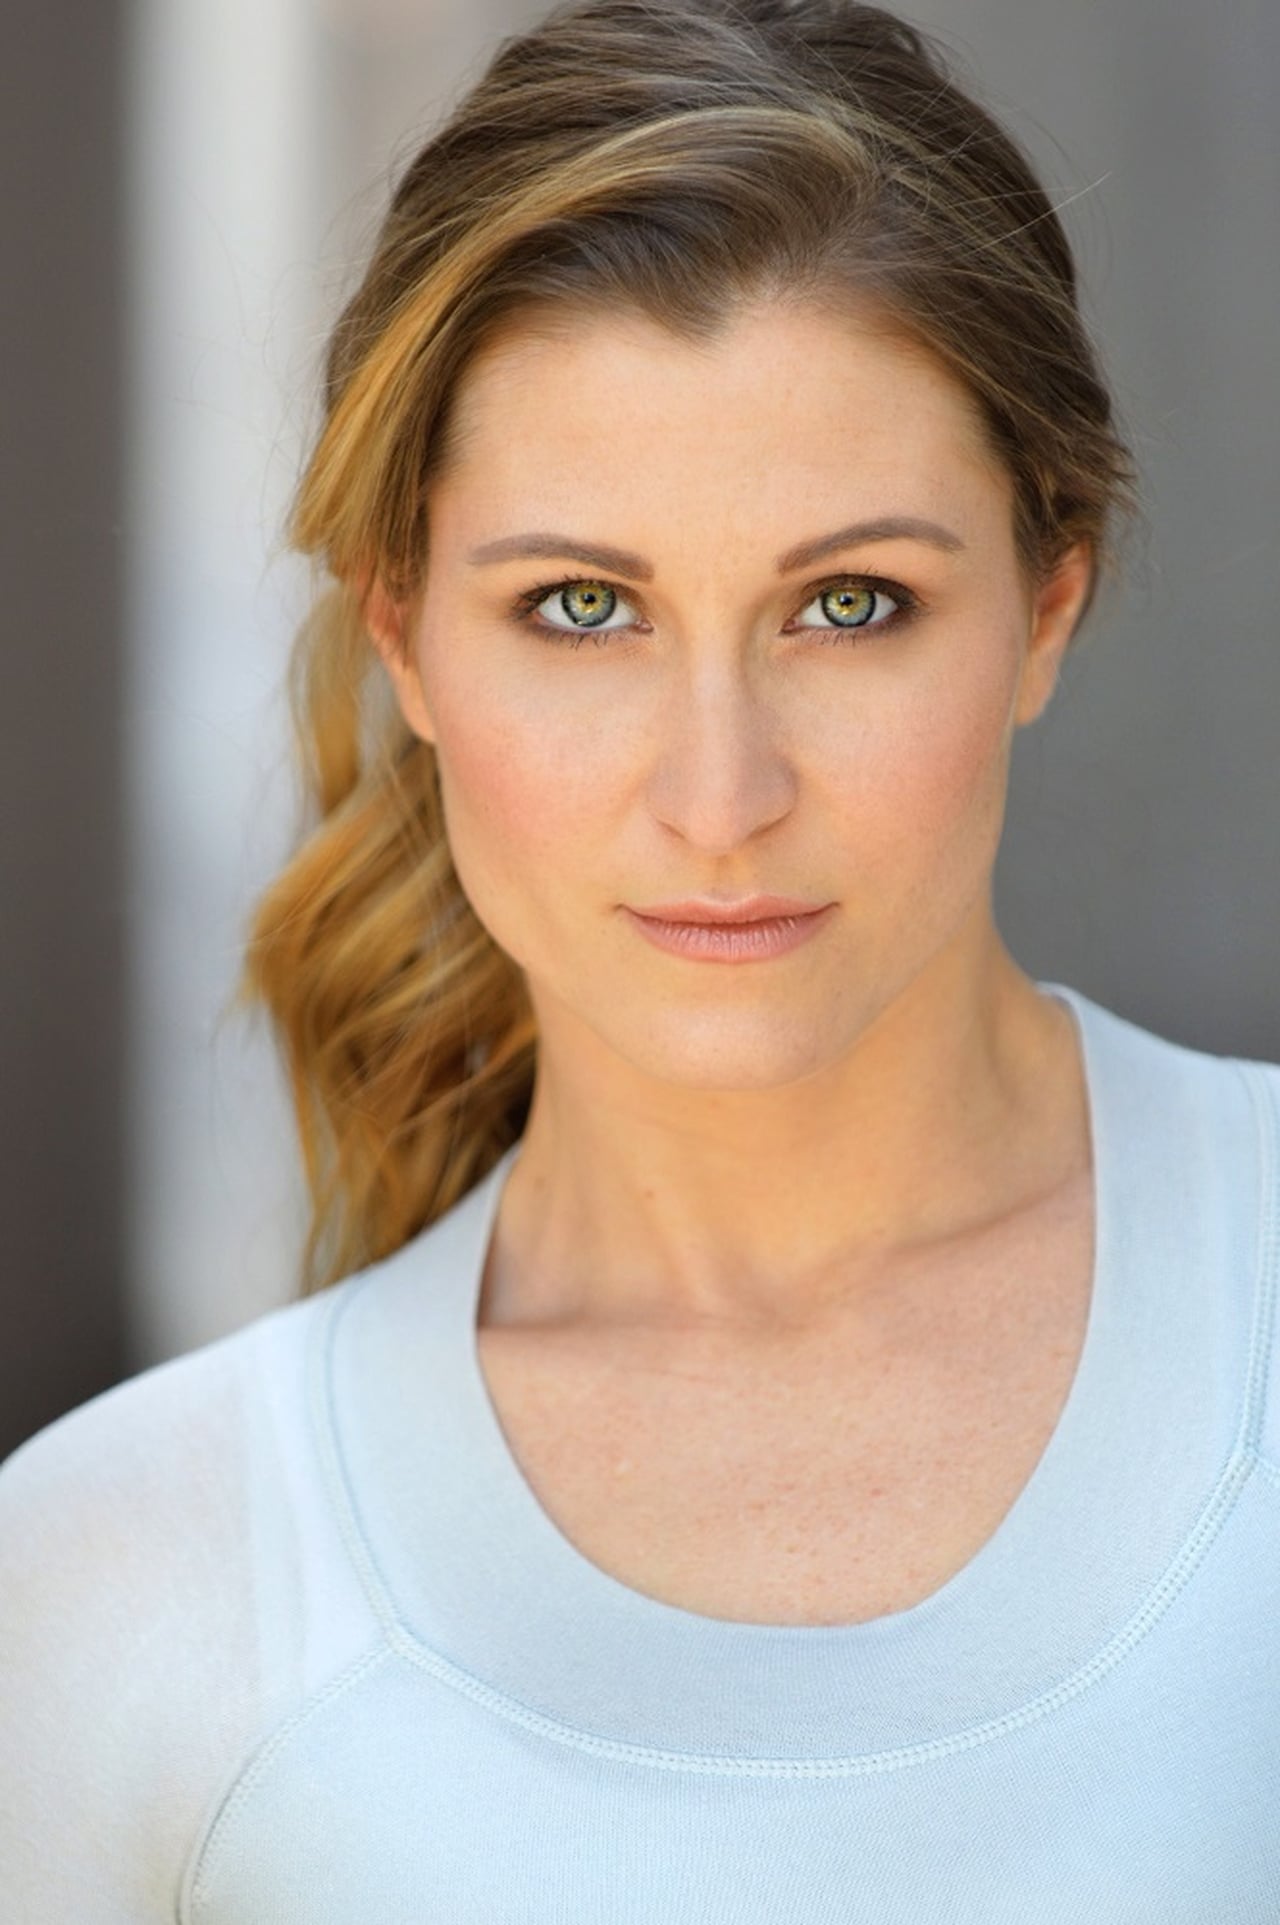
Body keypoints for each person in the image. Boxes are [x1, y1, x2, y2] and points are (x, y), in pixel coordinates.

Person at [3, 0, 1279, 1916]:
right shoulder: (114, 1577)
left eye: (852, 603)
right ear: (406, 638)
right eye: (584, 607)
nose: (719, 793)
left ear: (1048, 601)